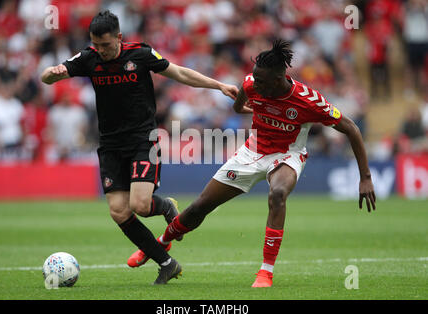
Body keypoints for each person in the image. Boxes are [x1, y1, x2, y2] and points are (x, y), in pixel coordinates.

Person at [128, 39, 377, 287]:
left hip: (286, 155)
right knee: (199, 207)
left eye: (261, 81)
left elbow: (352, 129)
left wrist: (365, 177)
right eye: (254, 79)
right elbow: (240, 106)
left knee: (277, 194)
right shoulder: (252, 84)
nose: (254, 84)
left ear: (279, 79)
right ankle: (161, 242)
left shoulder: (308, 100)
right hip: (251, 152)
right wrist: (255, 110)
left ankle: (265, 272)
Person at [40, 10, 238, 285]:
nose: (101, 51)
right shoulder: (88, 58)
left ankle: (165, 205)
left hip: (143, 140)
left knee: (140, 205)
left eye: (106, 45)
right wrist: (52, 73)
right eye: (96, 45)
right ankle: (167, 263)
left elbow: (179, 72)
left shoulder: (140, 55)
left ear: (119, 38)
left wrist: (218, 86)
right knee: (119, 211)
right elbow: (47, 79)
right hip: (110, 145)